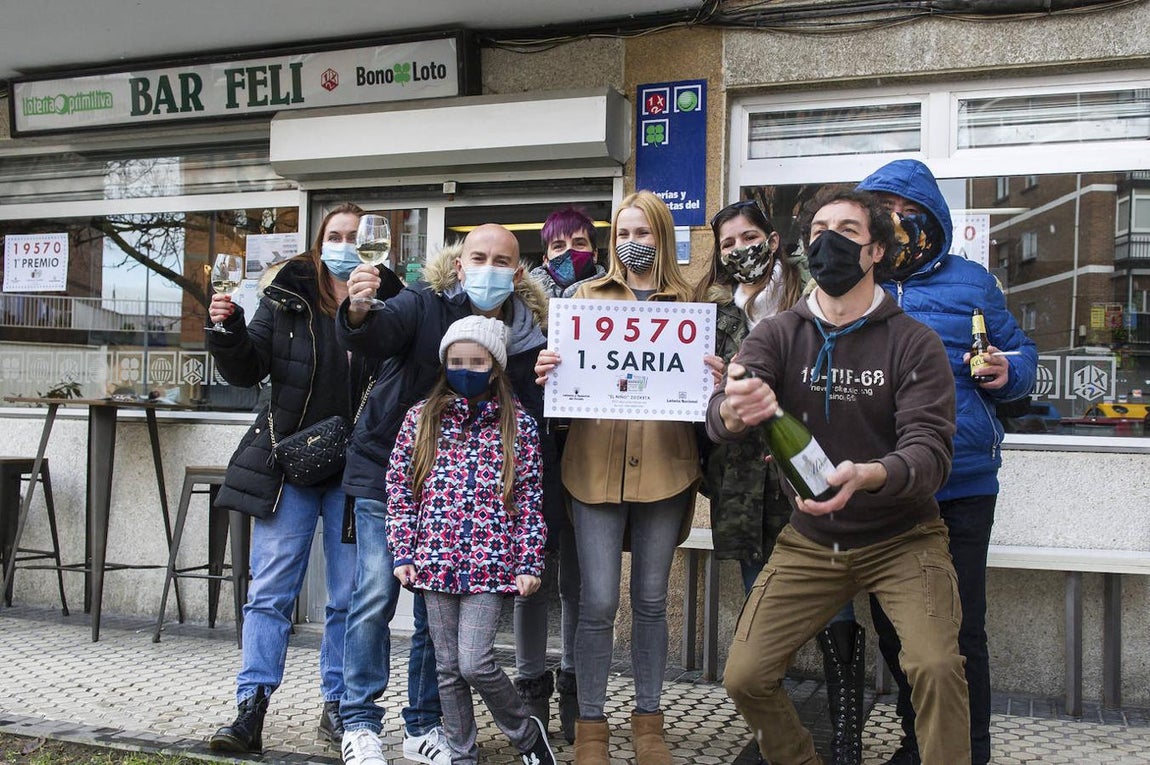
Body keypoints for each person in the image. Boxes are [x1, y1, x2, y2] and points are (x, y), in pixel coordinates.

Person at [708, 188, 971, 765]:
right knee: (745, 677)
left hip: (903, 537)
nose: (829, 241)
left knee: (935, 666)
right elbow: (722, 414)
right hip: (810, 540)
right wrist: (734, 406)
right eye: (819, 228)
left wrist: (870, 474)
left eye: (847, 231)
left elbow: (930, 453)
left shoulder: (914, 343)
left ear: (876, 249)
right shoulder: (778, 333)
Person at [336, 223, 554, 765]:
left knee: (449, 645)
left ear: (518, 270)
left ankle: (424, 726)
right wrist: (360, 312)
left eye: (501, 260)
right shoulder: (422, 304)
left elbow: (525, 455)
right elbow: (377, 334)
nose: (488, 268)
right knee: (373, 596)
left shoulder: (530, 333)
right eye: (477, 256)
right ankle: (359, 720)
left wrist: (554, 376)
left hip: (475, 537)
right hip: (390, 471)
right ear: (460, 264)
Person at [858, 159, 1038, 765]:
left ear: (929, 215)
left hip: (961, 482)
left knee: (962, 631)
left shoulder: (972, 280)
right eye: (878, 211)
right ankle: (919, 745)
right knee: (899, 630)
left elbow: (1020, 352)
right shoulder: (855, 280)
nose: (890, 224)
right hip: (884, 484)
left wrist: (1008, 370)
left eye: (900, 210)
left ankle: (971, 751)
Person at [534, 190, 722, 765]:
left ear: (662, 237)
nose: (632, 244)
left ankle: (649, 724)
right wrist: (550, 376)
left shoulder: (693, 305)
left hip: (667, 471)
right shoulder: (580, 300)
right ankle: (590, 726)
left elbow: (711, 409)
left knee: (648, 599)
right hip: (590, 470)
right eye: (623, 234)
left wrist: (714, 383)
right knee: (593, 602)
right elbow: (563, 406)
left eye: (643, 234)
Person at [207, 203, 397, 753]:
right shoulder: (286, 297)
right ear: (319, 244)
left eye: (353, 237)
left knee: (348, 597)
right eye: (334, 235)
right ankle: (251, 709)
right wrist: (227, 328)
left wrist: (375, 309)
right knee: (270, 593)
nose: (343, 244)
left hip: (353, 473)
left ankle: (337, 707)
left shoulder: (390, 303)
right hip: (287, 465)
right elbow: (246, 370)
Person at [387, 315, 556, 765]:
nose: (465, 369)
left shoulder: (517, 425)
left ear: (495, 367)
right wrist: (404, 550)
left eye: (476, 361)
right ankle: (462, 753)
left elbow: (529, 498)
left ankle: (526, 734)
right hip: (434, 562)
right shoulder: (420, 420)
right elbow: (401, 490)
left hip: (490, 564)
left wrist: (528, 562)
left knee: (474, 662)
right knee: (446, 669)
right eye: (456, 360)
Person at [517, 205, 605, 743]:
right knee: (532, 580)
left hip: (589, 453)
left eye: (578, 242)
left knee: (578, 581)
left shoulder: (613, 302)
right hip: (536, 455)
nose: (568, 253)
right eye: (555, 245)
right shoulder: (523, 305)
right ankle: (530, 689)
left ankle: (574, 687)